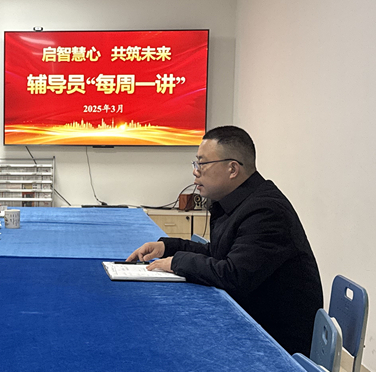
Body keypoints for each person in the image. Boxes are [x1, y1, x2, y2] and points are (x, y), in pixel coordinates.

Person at [127, 126, 323, 355]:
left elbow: (232, 275)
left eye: (202, 164)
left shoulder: (265, 211)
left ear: (232, 169)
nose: (195, 172)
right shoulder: (236, 202)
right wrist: (167, 247)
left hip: (275, 345)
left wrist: (176, 262)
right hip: (251, 321)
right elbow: (218, 253)